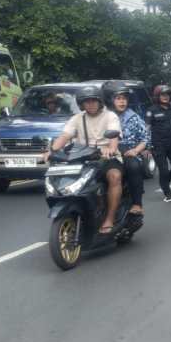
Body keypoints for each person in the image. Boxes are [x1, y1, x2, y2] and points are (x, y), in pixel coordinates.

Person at [44, 84, 123, 235]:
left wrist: (110, 149)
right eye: (87, 101)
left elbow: (114, 139)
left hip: (106, 158)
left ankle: (109, 218)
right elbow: (64, 136)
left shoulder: (110, 116)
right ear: (82, 104)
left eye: (94, 100)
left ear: (100, 101)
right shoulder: (77, 119)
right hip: (82, 158)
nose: (91, 104)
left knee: (115, 176)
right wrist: (51, 151)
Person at [108, 83, 148, 217]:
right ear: (111, 100)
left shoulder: (134, 118)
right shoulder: (105, 116)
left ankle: (137, 204)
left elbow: (145, 138)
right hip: (106, 151)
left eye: (124, 98)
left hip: (128, 151)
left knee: (134, 166)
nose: (122, 101)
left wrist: (136, 151)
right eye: (118, 98)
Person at [146, 86, 171, 202]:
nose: (165, 97)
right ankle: (168, 194)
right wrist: (146, 146)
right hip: (158, 145)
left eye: (167, 94)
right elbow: (146, 129)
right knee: (164, 170)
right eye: (163, 95)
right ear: (157, 96)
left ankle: (164, 182)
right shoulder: (151, 110)